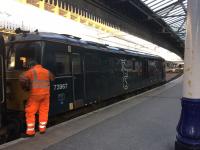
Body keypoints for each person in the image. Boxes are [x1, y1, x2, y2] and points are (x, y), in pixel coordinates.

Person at [19, 60, 54, 136]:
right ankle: (42, 129)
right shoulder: (46, 71)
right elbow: (52, 78)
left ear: (31, 66)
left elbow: (22, 78)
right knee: (43, 111)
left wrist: (26, 88)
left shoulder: (31, 71)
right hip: (45, 95)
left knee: (30, 112)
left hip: (35, 96)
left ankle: (30, 132)